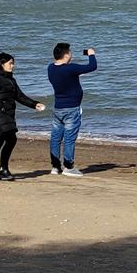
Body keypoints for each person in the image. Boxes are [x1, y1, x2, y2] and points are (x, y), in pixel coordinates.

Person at [0, 52, 44, 180]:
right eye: (10, 63)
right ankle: (2, 169)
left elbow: (19, 96)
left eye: (13, 63)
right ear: (2, 64)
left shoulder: (10, 79)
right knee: (10, 139)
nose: (13, 66)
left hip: (6, 114)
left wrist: (34, 104)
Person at [45, 42, 98, 177]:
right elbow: (92, 66)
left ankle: (55, 167)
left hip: (58, 108)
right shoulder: (69, 69)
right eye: (70, 52)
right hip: (71, 109)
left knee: (56, 138)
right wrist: (91, 54)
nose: (71, 54)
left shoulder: (51, 68)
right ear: (66, 54)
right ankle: (68, 167)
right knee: (69, 138)